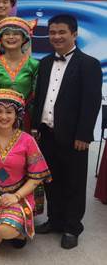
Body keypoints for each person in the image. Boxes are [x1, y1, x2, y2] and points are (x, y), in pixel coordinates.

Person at [33, 14, 102, 249]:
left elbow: (91, 102)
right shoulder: (44, 63)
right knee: (51, 180)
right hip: (47, 132)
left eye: (62, 32)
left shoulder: (89, 64)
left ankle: (72, 227)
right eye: (52, 32)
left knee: (74, 182)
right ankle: (55, 219)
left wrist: (84, 135)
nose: (56, 37)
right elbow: (40, 97)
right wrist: (35, 126)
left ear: (74, 33)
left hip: (74, 137)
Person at [0, 89, 51, 250]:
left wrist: (16, 196)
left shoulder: (27, 140)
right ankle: (11, 226)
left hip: (19, 195)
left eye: (9, 112)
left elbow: (37, 176)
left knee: (3, 230)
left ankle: (12, 228)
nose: (4, 116)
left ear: (17, 115)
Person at [0, 17, 38, 132]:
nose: (11, 37)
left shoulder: (34, 65)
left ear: (24, 38)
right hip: (0, 119)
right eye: (7, 34)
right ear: (0, 38)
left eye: (16, 34)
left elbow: (36, 97)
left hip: (26, 118)